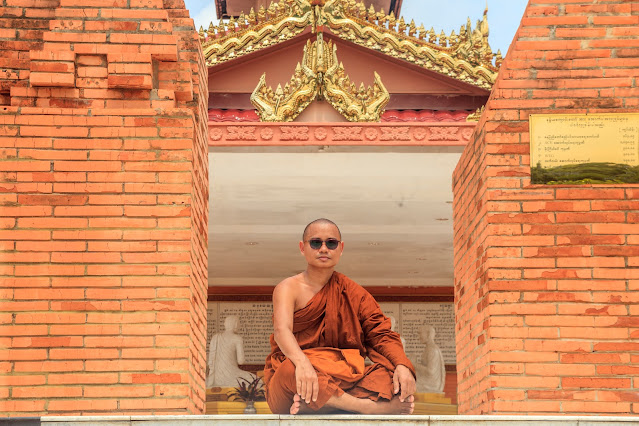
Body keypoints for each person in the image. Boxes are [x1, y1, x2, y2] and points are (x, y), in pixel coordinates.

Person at [264, 218, 416, 415]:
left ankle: (324, 404)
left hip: (342, 377)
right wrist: (302, 364)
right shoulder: (288, 288)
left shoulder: (354, 293)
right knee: (288, 370)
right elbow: (281, 330)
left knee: (390, 376)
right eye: (316, 243)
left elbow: (380, 334)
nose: (324, 249)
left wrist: (402, 365)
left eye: (331, 243)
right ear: (303, 248)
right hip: (297, 378)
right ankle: (364, 407)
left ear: (341, 248)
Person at [206, 315, 254, 388]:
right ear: (235, 324)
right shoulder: (237, 338)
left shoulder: (215, 337)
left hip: (216, 378)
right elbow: (241, 361)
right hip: (232, 375)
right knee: (256, 380)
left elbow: (210, 360)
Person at [414, 324, 446, 393]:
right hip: (426, 379)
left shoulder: (432, 349)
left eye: (420, 334)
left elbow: (430, 371)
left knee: (408, 383)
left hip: (431, 384)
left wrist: (415, 364)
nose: (419, 337)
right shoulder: (428, 348)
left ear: (428, 334)